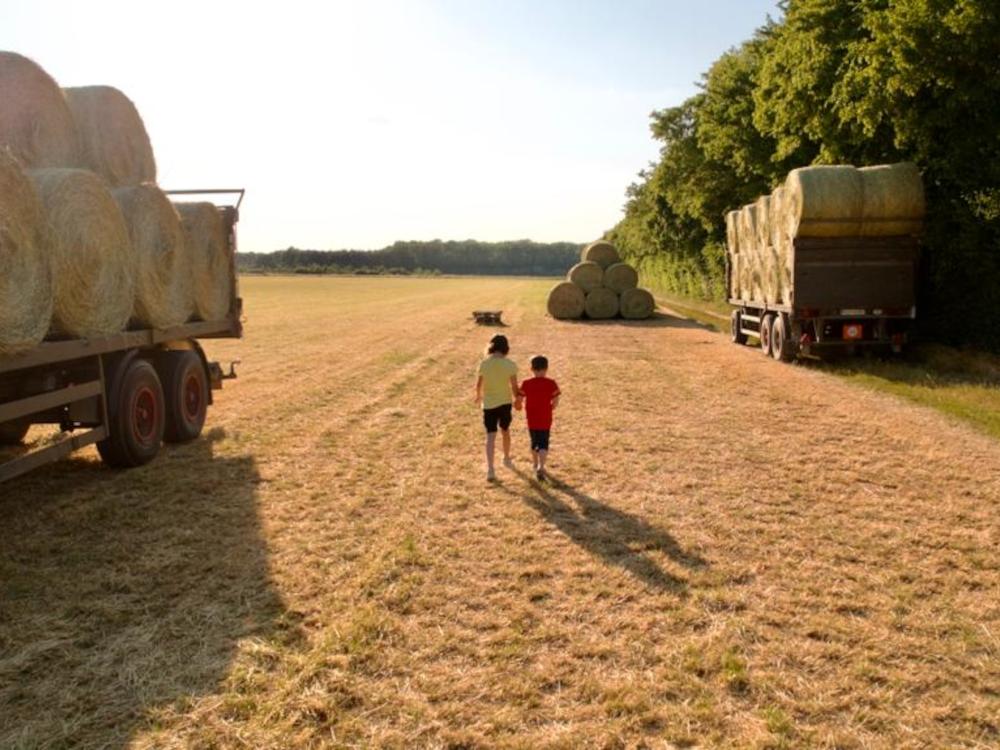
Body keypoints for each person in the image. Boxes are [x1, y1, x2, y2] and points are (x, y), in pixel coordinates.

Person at [474, 334, 519, 482]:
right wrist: (518, 400)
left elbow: (479, 384)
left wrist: (478, 396)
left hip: (488, 405)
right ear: (506, 348)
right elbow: (514, 387)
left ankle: (490, 469)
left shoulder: (484, 364)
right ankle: (506, 457)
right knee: (505, 431)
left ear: (491, 346)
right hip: (505, 403)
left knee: (490, 436)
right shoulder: (510, 365)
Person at [519, 354, 561, 482]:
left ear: (531, 368)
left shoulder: (526, 383)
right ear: (546, 368)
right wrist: (552, 407)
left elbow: (520, 399)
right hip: (545, 417)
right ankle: (541, 466)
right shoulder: (551, 383)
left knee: (534, 441)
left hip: (532, 417)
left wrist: (518, 403)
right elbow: (556, 400)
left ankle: (535, 463)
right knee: (544, 442)